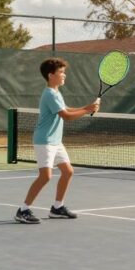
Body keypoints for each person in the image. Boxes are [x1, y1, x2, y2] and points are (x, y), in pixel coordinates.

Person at [14, 58, 101, 224]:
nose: (64, 75)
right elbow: (66, 116)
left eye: (63, 72)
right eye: (61, 72)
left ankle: (57, 207)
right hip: (45, 141)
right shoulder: (49, 94)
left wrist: (87, 107)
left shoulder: (56, 93)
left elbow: (66, 109)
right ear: (50, 75)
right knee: (45, 176)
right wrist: (87, 110)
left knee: (68, 171)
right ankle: (23, 210)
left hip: (55, 141)